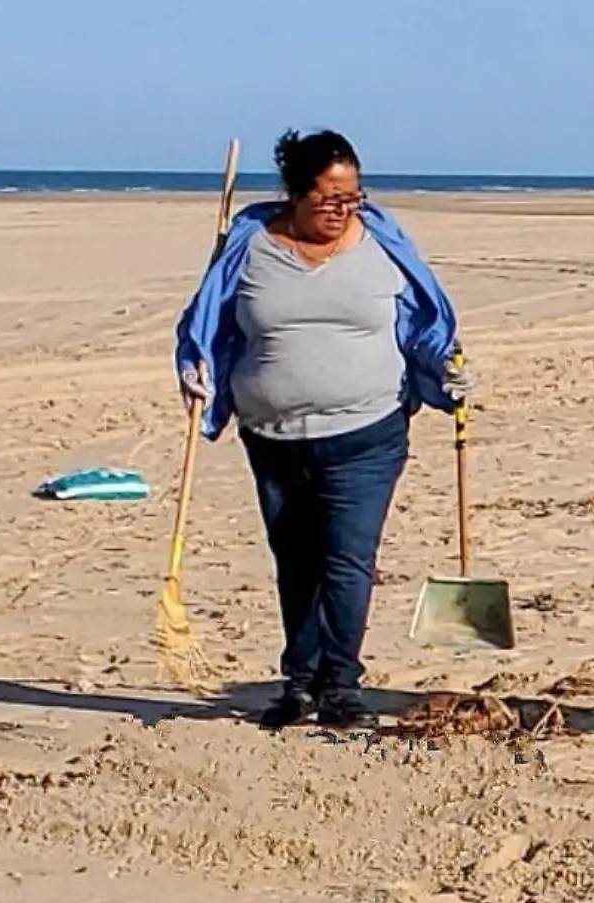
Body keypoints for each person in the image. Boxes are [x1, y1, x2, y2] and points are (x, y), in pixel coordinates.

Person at [174, 129, 471, 729]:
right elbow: (206, 323)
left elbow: (424, 319)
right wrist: (194, 364)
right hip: (272, 435)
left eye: (353, 198)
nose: (343, 210)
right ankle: (300, 683)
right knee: (296, 560)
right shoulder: (248, 244)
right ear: (295, 193)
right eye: (330, 198)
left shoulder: (382, 242)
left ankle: (341, 685)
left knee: (346, 558)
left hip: (368, 431)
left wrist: (446, 365)